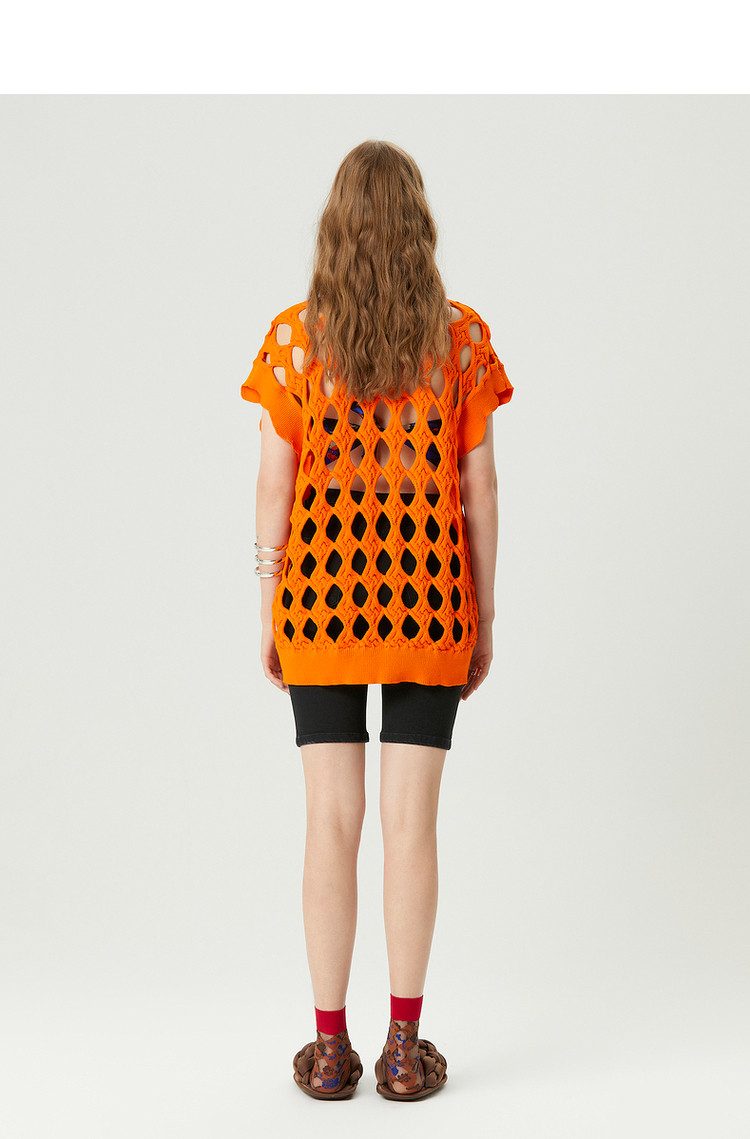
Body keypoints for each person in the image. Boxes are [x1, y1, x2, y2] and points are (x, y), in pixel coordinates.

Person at [240, 140, 514, 1101]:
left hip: (321, 600)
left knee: (330, 818)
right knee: (410, 823)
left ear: (335, 232)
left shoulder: (296, 341)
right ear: (419, 231)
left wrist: (271, 602)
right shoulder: (460, 341)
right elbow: (480, 489)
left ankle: (329, 1049)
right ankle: (403, 1046)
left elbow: (274, 484)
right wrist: (484, 613)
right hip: (430, 599)